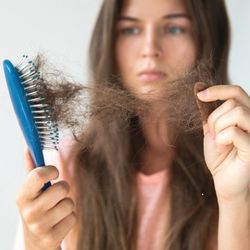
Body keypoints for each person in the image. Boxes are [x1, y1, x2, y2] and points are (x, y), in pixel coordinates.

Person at [15, 0, 250, 249]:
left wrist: (234, 199)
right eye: (131, 30)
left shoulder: (241, 163)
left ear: (209, 38)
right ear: (109, 43)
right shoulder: (64, 167)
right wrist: (36, 243)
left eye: (174, 28)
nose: (150, 48)